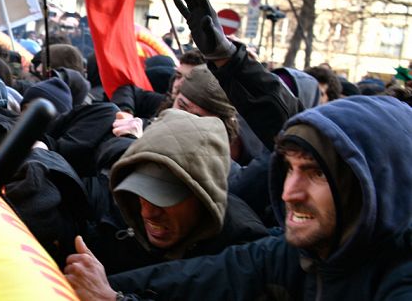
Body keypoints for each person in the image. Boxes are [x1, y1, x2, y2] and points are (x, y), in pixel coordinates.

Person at [67, 96, 412, 300]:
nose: (290, 193)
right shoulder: (297, 251)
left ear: (374, 183)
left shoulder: (401, 278)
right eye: (289, 169)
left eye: (316, 173)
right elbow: (195, 279)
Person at [69, 109, 266, 279]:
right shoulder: (128, 207)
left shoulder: (242, 251)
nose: (147, 213)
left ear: (204, 196)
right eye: (140, 192)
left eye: (163, 198)